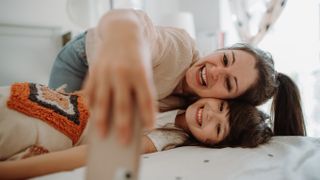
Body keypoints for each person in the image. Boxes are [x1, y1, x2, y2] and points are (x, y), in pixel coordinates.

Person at [48, 9, 305, 144]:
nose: (215, 70)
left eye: (228, 83)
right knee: (52, 121)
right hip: (83, 58)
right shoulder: (179, 48)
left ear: (230, 101)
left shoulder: (192, 108)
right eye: (225, 59)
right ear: (222, 49)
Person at [0, 82, 272, 179]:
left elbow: (93, 154)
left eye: (218, 126)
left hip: (51, 125)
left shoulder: (164, 138)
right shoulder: (175, 97)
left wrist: (8, 173)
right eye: (220, 106)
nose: (209, 114)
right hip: (36, 97)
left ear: (214, 143)